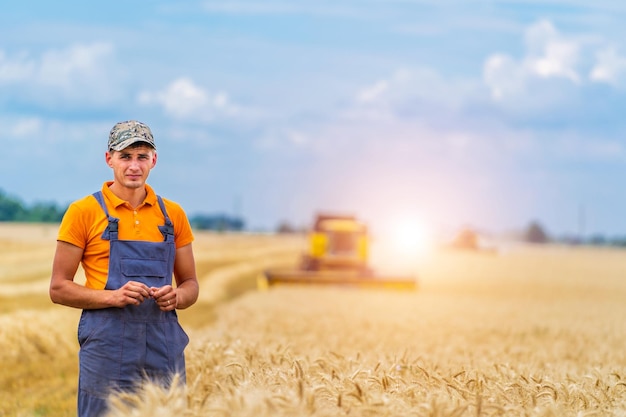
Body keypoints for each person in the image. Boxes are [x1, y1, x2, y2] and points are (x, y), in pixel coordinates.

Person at [49, 120, 199, 417]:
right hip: (107, 345)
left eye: (142, 156)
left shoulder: (173, 216)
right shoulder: (83, 213)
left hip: (163, 346)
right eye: (125, 156)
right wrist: (113, 297)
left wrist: (177, 297)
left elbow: (191, 284)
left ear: (153, 160)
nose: (134, 165)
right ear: (109, 159)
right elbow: (58, 288)